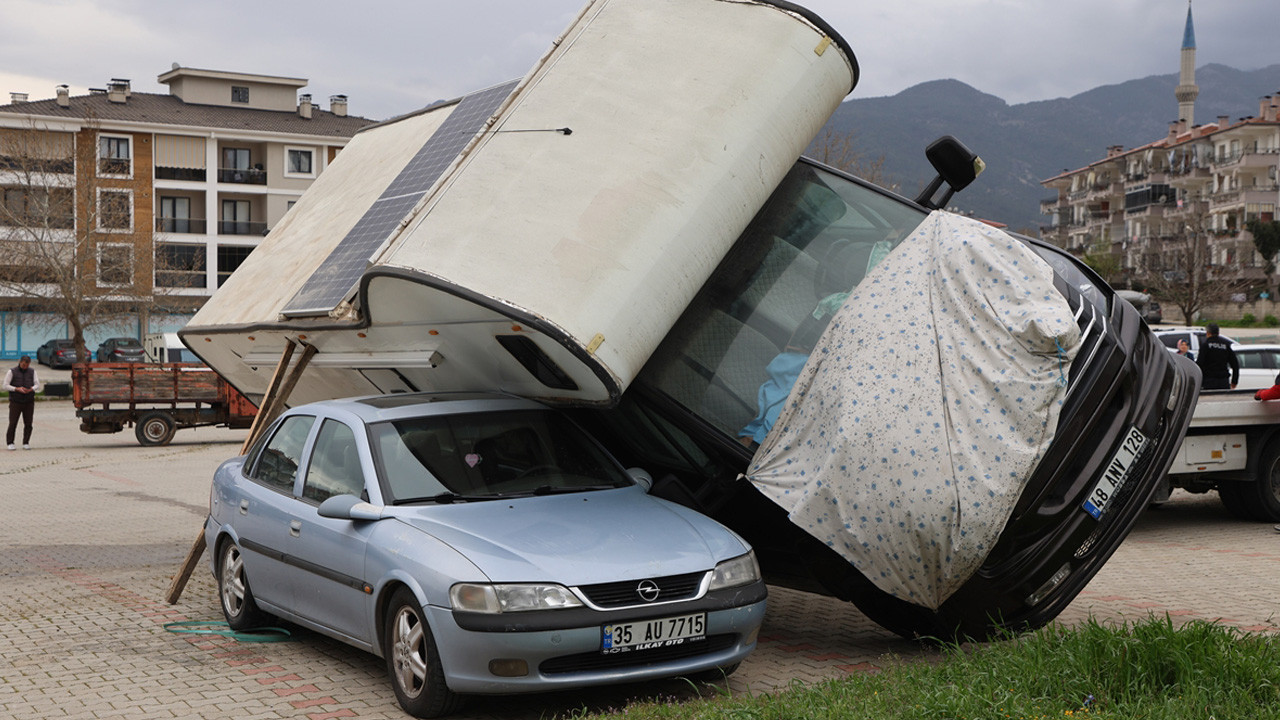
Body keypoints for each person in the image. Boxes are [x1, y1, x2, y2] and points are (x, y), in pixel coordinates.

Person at [3, 355, 40, 450]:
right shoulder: (12, 371)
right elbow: (5, 385)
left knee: (28, 423)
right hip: (15, 401)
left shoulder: (32, 372)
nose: (25, 366)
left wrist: (31, 389)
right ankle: (10, 442)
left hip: (29, 401)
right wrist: (16, 389)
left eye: (27, 365)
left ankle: (26, 442)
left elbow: (37, 384)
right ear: (20, 362)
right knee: (13, 422)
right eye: (23, 364)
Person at [1195, 323, 1238, 390]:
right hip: (1223, 381)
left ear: (1208, 333)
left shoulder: (1205, 345)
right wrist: (1234, 381)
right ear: (1218, 332)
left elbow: (1200, 364)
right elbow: (1235, 364)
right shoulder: (1225, 345)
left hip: (1209, 381)